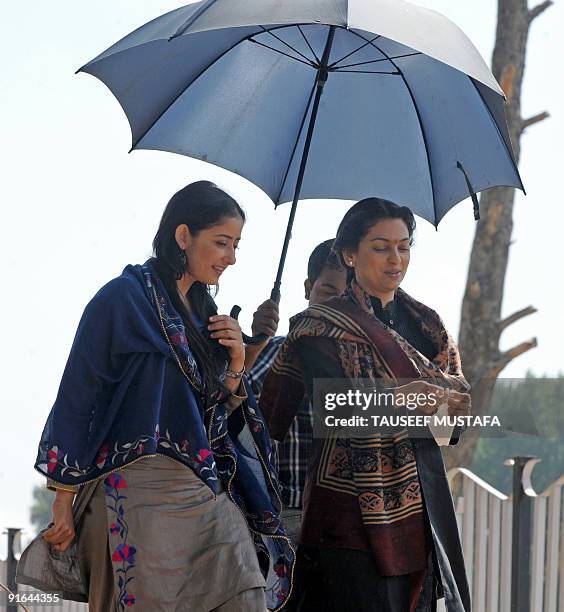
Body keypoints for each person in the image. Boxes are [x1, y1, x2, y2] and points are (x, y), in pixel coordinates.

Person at [24, 181, 294, 611]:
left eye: (236, 245)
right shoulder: (122, 299)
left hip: (201, 490)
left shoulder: (208, 317)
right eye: (221, 243)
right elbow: (78, 396)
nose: (231, 257)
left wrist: (239, 361)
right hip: (135, 487)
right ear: (183, 236)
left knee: (246, 591)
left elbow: (213, 416)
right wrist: (62, 498)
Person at [260, 198, 472, 612]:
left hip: (421, 509)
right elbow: (344, 410)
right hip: (346, 517)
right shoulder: (320, 327)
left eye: (404, 246)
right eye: (381, 247)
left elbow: (455, 422)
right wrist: (427, 397)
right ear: (349, 254)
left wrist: (418, 400)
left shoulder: (429, 327)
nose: (395, 259)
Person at [247, 239, 346, 541]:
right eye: (328, 292)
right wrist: (255, 343)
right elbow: (233, 406)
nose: (335, 307)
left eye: (348, 298)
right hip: (276, 513)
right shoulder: (271, 351)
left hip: (339, 520)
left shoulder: (366, 368)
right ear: (307, 288)